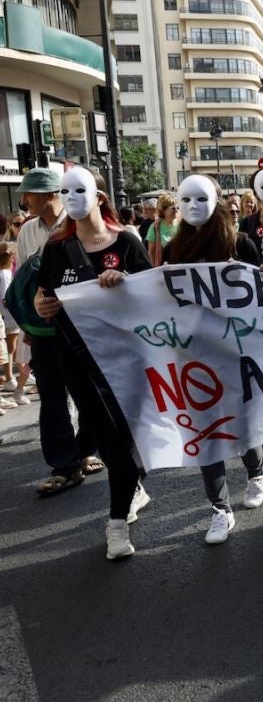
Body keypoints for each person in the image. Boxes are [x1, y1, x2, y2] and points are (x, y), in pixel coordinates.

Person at [34, 166, 152, 559]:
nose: (71, 197)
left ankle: (116, 524)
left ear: (100, 197)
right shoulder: (56, 247)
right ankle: (132, 482)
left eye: (79, 189)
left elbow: (155, 300)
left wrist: (126, 283)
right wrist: (41, 304)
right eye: (64, 191)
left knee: (118, 440)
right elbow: (44, 295)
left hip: (123, 361)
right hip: (76, 360)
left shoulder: (128, 243)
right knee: (100, 436)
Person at [164, 174, 263, 544]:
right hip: (194, 356)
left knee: (242, 422)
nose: (192, 207)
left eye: (200, 199)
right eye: (184, 200)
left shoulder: (241, 245)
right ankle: (220, 509)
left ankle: (255, 472)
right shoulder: (174, 250)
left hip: (238, 353)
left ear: (217, 201)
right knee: (206, 431)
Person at [16, 168, 105, 495]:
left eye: (29, 193)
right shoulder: (27, 231)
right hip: (43, 327)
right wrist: (30, 319)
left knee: (90, 391)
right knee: (51, 395)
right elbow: (27, 281)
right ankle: (64, 465)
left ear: (50, 194)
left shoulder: (77, 217)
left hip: (82, 326)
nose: (23, 200)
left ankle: (86, 449)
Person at [0, 242, 30, 404]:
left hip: (8, 316)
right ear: (11, 258)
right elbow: (6, 298)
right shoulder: (5, 275)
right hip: (10, 316)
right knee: (11, 349)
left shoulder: (4, 274)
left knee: (13, 348)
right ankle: (11, 379)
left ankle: (16, 378)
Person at [146, 194, 179, 266]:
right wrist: (154, 270)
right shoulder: (155, 227)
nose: (176, 210)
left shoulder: (182, 224)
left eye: (177, 207)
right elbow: (151, 252)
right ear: (163, 210)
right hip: (164, 268)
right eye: (173, 208)